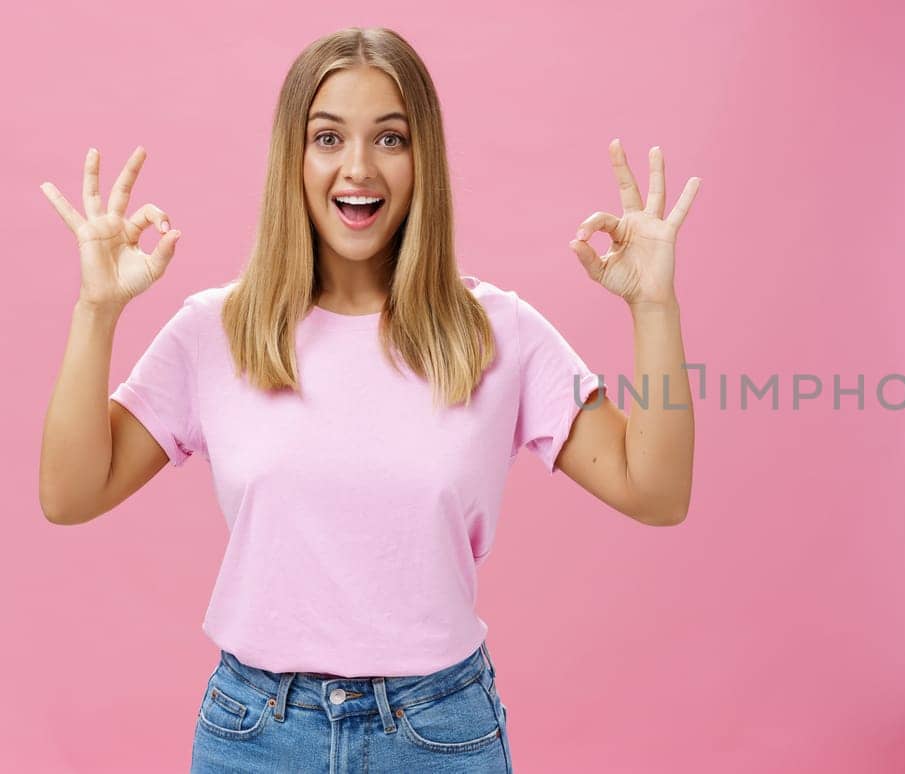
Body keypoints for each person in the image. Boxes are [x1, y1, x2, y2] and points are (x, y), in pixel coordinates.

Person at [37, 26, 699, 773]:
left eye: (391, 138)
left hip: (440, 733)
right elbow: (69, 493)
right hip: (254, 735)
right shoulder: (215, 331)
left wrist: (654, 309)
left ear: (424, 162)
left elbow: (658, 491)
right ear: (294, 156)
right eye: (328, 137)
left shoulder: (498, 333)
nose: (358, 167)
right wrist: (96, 310)